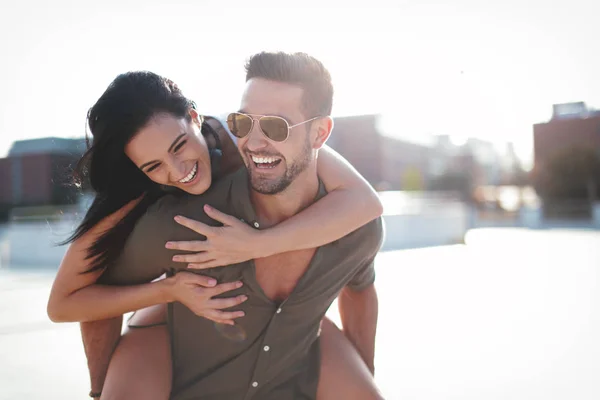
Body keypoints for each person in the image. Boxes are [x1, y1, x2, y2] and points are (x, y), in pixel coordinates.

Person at [47, 59, 384, 399]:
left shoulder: (238, 133)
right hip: (167, 313)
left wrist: (258, 244)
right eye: (154, 166)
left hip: (286, 323)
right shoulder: (135, 201)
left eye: (179, 146)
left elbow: (364, 202)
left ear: (195, 118)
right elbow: (74, 300)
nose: (178, 171)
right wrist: (167, 293)